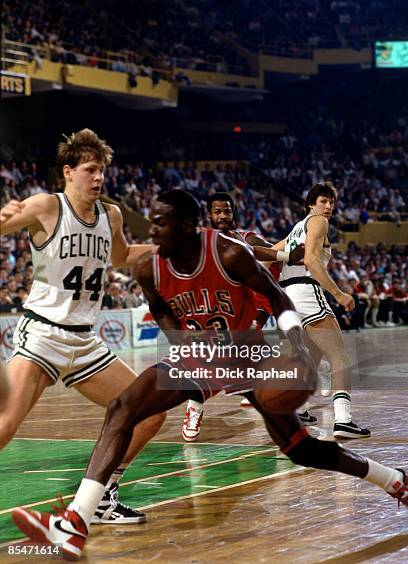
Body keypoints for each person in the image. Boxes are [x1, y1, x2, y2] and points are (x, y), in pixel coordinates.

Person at [12, 190, 406, 561]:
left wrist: (298, 347)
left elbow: (277, 295)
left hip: (246, 355)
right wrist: (181, 341)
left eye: (161, 222)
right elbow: (160, 308)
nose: (151, 230)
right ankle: (77, 520)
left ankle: (392, 479)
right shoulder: (149, 267)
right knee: (124, 406)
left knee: (300, 449)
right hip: (201, 355)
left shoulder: (229, 253)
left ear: (187, 226)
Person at [0, 129, 166, 524]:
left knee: (149, 414)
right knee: (5, 425)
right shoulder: (45, 207)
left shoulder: (111, 214)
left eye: (102, 171)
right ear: (68, 172)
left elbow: (123, 257)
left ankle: (102, 495)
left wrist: (170, 246)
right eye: (91, 170)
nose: (99, 178)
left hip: (85, 343)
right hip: (42, 334)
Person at [182, 192, 304, 441]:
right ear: (209, 215)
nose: (223, 216)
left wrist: (286, 256)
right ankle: (194, 410)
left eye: (227, 211)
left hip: (242, 314)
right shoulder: (201, 241)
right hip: (210, 313)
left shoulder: (244, 238)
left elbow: (261, 250)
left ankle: (282, 415)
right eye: (218, 212)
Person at [275, 182, 370, 438]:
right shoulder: (318, 222)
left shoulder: (296, 229)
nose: (328, 207)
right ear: (310, 204)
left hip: (287, 297)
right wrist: (338, 293)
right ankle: (343, 420)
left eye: (331, 202)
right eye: (323, 201)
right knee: (339, 356)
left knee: (314, 353)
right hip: (306, 291)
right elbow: (310, 260)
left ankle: (299, 408)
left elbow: (267, 255)